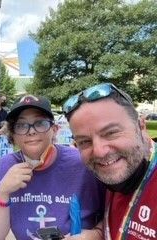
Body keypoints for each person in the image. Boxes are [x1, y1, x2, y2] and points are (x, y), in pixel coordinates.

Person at [0, 95, 105, 240]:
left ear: (54, 129)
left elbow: (115, 212)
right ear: (13, 135)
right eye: (21, 125)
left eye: (40, 123)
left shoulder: (82, 163)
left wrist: (96, 234)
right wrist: (2, 192)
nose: (31, 131)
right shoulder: (5, 165)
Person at [62, 83, 156, 240]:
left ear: (141, 126)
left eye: (111, 133)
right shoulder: (116, 172)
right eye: (84, 141)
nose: (99, 152)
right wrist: (97, 233)